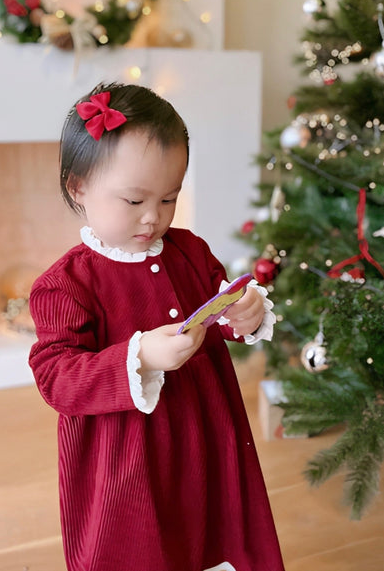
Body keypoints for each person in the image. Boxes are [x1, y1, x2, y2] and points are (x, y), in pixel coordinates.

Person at [28, 82, 285, 571]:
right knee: (140, 547)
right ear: (78, 187)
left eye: (168, 199)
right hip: (125, 462)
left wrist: (244, 312)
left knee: (215, 532)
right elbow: (56, 378)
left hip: (206, 436)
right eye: (133, 201)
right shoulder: (65, 285)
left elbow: (219, 304)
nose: (153, 218)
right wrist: (139, 355)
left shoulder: (188, 250)